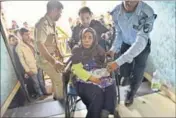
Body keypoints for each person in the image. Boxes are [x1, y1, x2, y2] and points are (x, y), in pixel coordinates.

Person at [106, 0, 157, 107]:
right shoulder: (116, 12)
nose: (130, 2)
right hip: (126, 43)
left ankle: (131, 93)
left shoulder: (147, 13)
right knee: (124, 70)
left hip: (141, 47)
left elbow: (140, 42)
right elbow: (119, 33)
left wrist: (117, 62)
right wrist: (113, 49)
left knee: (138, 71)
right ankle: (126, 76)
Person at [71, 27, 117, 118]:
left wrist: (108, 66)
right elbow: (77, 69)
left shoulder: (98, 49)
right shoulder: (77, 50)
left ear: (94, 39)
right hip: (83, 79)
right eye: (84, 37)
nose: (86, 40)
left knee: (111, 84)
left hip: (97, 75)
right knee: (98, 93)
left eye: (90, 37)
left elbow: (104, 62)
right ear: (81, 38)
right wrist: (92, 78)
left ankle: (105, 112)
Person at [34, 0, 65, 100]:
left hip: (52, 56)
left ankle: (56, 97)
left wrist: (59, 53)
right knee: (59, 79)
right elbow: (40, 45)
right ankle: (62, 103)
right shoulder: (43, 24)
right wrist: (54, 62)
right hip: (44, 59)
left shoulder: (51, 23)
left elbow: (53, 40)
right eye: (60, 12)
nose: (60, 15)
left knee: (55, 79)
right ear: (54, 10)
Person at [16, 28, 48, 100]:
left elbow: (38, 52)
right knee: (35, 82)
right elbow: (22, 60)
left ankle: (45, 92)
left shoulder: (31, 42)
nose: (28, 36)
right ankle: (40, 95)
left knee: (41, 80)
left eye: (28, 34)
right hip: (31, 67)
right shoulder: (19, 47)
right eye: (26, 35)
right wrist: (27, 70)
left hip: (38, 64)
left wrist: (33, 42)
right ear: (21, 35)